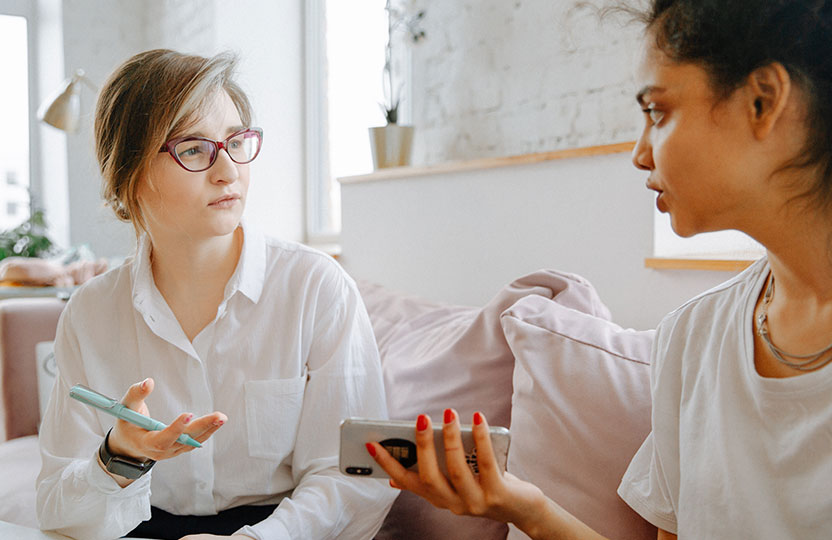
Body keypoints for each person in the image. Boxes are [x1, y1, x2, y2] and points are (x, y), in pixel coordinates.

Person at [366, 1, 832, 538]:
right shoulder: (693, 338)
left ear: (762, 101)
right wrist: (523, 506)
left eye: (658, 112)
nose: (639, 153)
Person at [36, 49, 396, 540]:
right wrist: (118, 456)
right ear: (130, 176)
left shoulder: (315, 287)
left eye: (236, 141)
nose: (228, 170)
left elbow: (356, 477)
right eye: (193, 149)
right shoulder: (91, 313)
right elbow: (58, 506)